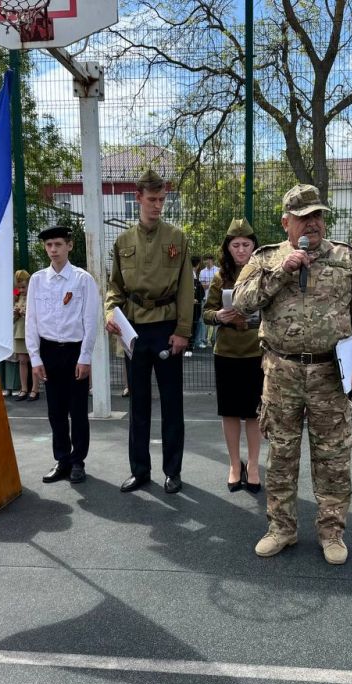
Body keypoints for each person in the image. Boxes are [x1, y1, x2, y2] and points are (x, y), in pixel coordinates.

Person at [233, 184, 352, 565]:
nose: (312, 224)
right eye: (303, 217)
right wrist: (282, 271)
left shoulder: (344, 259)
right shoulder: (266, 259)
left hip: (331, 374)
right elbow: (242, 302)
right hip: (281, 372)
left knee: (332, 457)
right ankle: (281, 528)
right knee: (281, 454)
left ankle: (332, 532)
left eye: (317, 216)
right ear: (286, 222)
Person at [105, 169, 193, 494]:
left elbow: (186, 288)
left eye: (161, 199)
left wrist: (183, 330)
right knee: (138, 405)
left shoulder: (177, 238)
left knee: (172, 404)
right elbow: (114, 287)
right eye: (152, 199)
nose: (157, 205)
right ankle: (140, 470)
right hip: (133, 331)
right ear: (138, 197)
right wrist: (108, 313)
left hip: (167, 328)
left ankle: (173, 470)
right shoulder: (122, 241)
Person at [26, 226, 100, 485]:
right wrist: (35, 358)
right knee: (55, 411)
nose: (53, 250)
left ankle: (78, 461)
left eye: (58, 244)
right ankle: (62, 459)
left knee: (77, 410)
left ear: (69, 246)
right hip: (49, 350)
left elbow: (91, 320)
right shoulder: (37, 280)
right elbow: (31, 320)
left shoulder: (82, 279)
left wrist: (85, 356)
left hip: (73, 351)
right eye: (49, 245)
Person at [203, 219, 265, 494]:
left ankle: (252, 465)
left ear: (254, 246)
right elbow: (206, 312)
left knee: (254, 413)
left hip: (256, 351)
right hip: (227, 352)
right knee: (229, 412)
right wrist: (219, 316)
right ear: (227, 248)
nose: (241, 250)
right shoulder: (220, 277)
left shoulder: (264, 272)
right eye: (235, 245)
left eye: (246, 245)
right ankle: (233, 465)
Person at [12, 269, 39, 401]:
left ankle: (35, 389)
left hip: (32, 332)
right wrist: (15, 314)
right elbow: (9, 319)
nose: (21, 290)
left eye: (24, 287)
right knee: (22, 361)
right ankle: (23, 389)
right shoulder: (16, 298)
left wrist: (27, 313)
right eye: (19, 287)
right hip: (19, 332)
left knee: (34, 361)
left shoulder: (34, 297)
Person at [190, 255, 208, 349]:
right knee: (195, 322)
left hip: (195, 302)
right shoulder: (191, 275)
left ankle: (194, 342)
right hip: (194, 304)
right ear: (198, 264)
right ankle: (192, 343)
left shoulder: (193, 274)